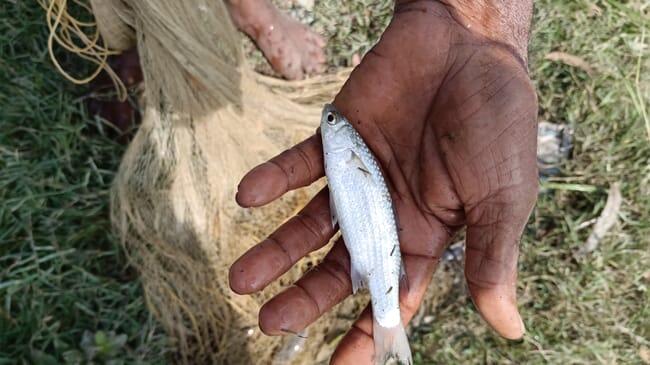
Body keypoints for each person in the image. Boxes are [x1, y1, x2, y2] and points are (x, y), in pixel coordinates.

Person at [228, 0, 538, 363]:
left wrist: (478, 23)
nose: (329, 122)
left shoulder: (347, 153)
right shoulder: (347, 154)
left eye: (333, 124)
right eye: (333, 122)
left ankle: (388, 328)